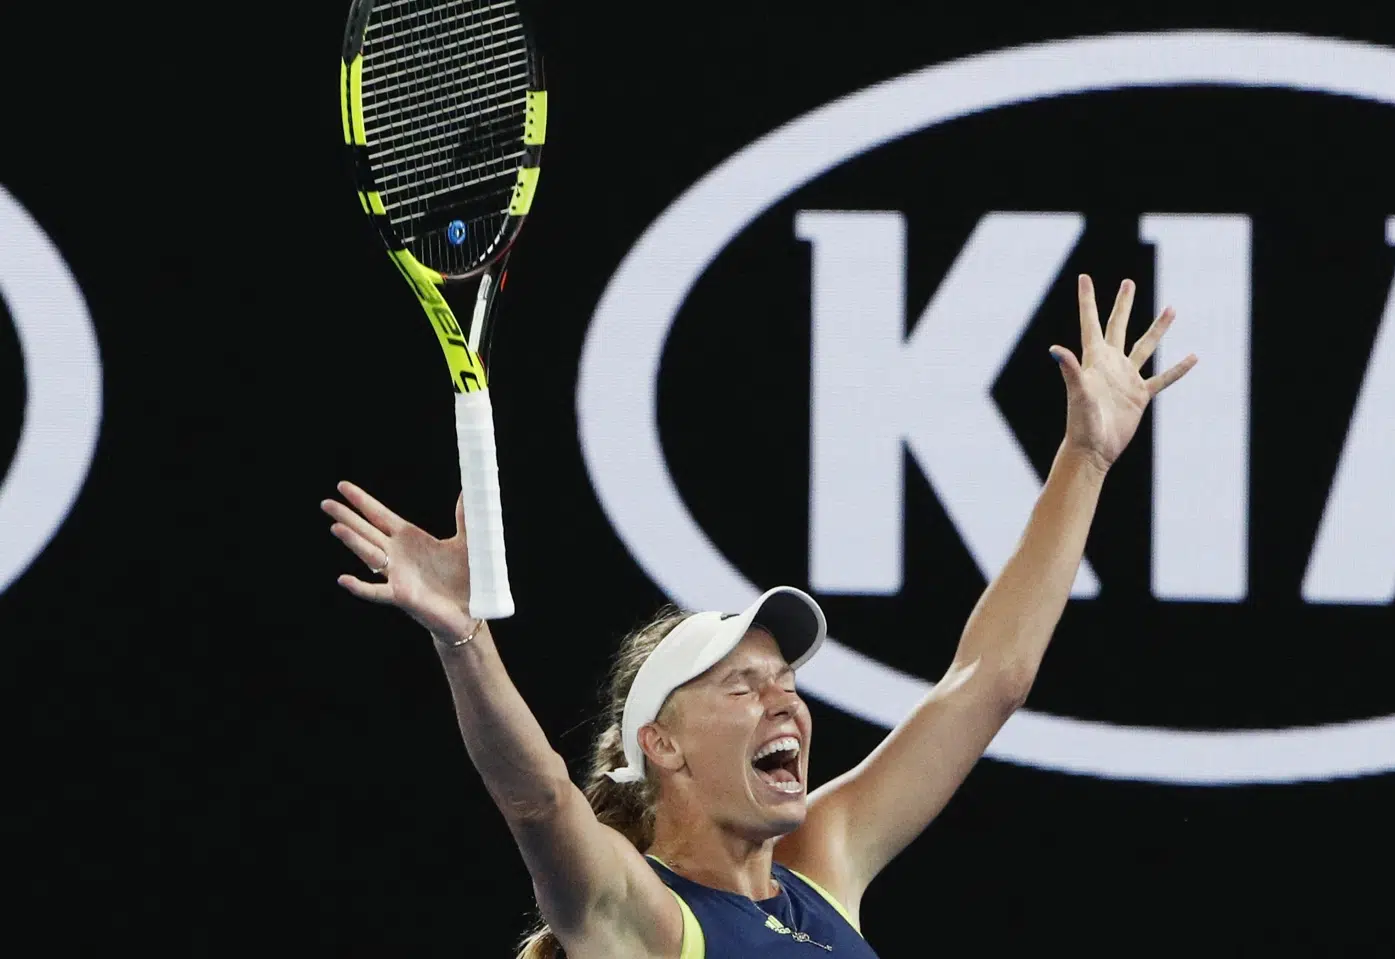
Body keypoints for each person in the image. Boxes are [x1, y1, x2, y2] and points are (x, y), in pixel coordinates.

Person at [321, 275, 1196, 958]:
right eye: (744, 684)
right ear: (658, 745)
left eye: (785, 680)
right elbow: (539, 796)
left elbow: (988, 681)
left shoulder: (824, 861)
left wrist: (1085, 456)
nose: (786, 702)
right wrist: (463, 638)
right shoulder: (646, 919)